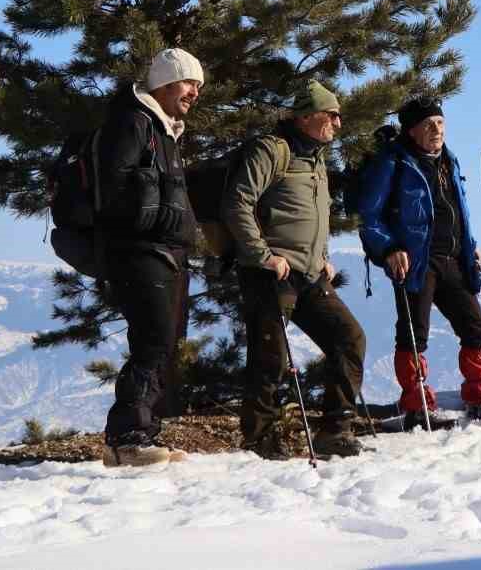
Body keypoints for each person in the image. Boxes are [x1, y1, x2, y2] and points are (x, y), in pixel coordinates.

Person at [223, 81, 368, 458]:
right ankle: (260, 437)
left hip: (309, 273)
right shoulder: (272, 150)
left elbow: (312, 217)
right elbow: (238, 203)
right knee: (271, 356)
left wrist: (322, 256)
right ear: (307, 116)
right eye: (331, 114)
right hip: (272, 272)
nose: (338, 122)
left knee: (348, 338)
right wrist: (262, 255)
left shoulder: (316, 158)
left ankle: (335, 429)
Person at [356, 97, 481, 427]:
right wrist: (389, 249)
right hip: (414, 260)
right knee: (413, 333)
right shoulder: (394, 163)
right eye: (428, 125)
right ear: (411, 131)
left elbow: (458, 210)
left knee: (475, 328)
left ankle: (480, 398)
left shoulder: (450, 160)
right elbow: (369, 215)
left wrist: (471, 246)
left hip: (453, 257)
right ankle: (417, 406)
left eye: (440, 123)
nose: (437, 129)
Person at [98, 48, 203, 467]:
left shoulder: (162, 128)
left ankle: (140, 433)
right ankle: (129, 438)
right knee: (152, 340)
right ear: (162, 83)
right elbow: (117, 189)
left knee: (159, 343)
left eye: (198, 86)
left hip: (161, 249)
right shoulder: (134, 122)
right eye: (187, 83)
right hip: (139, 249)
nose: (194, 92)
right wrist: (159, 221)